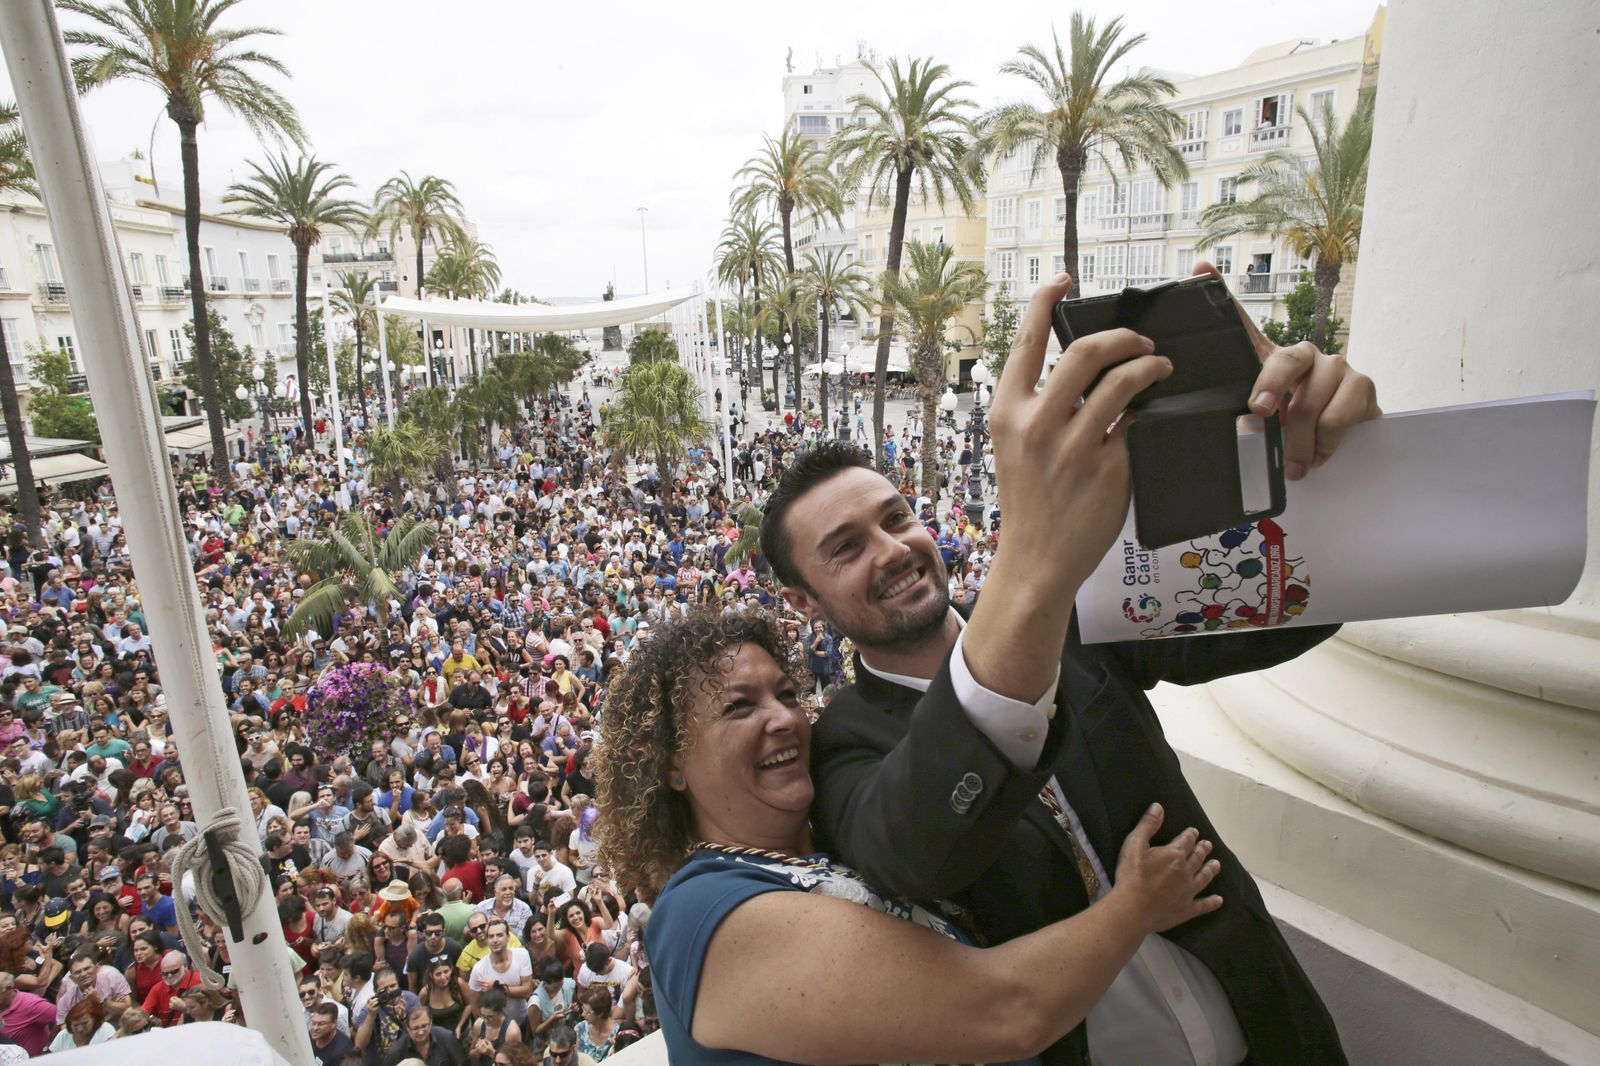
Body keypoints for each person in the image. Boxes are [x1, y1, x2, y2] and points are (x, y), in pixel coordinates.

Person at [758, 268, 1379, 1065]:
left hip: (1274, 1035)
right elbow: (914, 851)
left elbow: (1290, 613)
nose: (892, 551)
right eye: (846, 548)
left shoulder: (1081, 617)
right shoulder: (843, 747)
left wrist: (1328, 459)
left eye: (896, 518)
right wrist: (1035, 557)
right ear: (803, 601)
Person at [595, 610, 1223, 1065]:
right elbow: (1008, 1010)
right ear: (670, 763)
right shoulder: (702, 913)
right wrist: (1136, 906)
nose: (783, 718)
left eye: (787, 694)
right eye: (740, 707)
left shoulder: (838, 851)